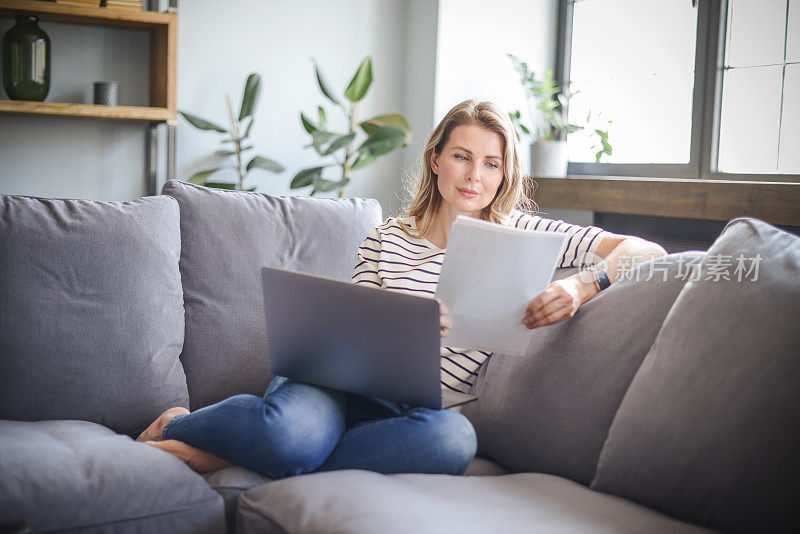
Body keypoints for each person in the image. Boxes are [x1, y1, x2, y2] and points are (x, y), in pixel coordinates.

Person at [137, 99, 667, 478]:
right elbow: (343, 329)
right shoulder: (387, 236)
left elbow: (648, 252)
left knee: (454, 441)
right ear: (435, 159)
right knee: (292, 434)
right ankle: (185, 424)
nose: (474, 177)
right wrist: (399, 323)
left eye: (491, 163)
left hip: (411, 413)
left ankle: (245, 454)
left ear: (504, 175)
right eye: (462, 156)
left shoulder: (527, 235)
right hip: (334, 386)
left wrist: (581, 285)